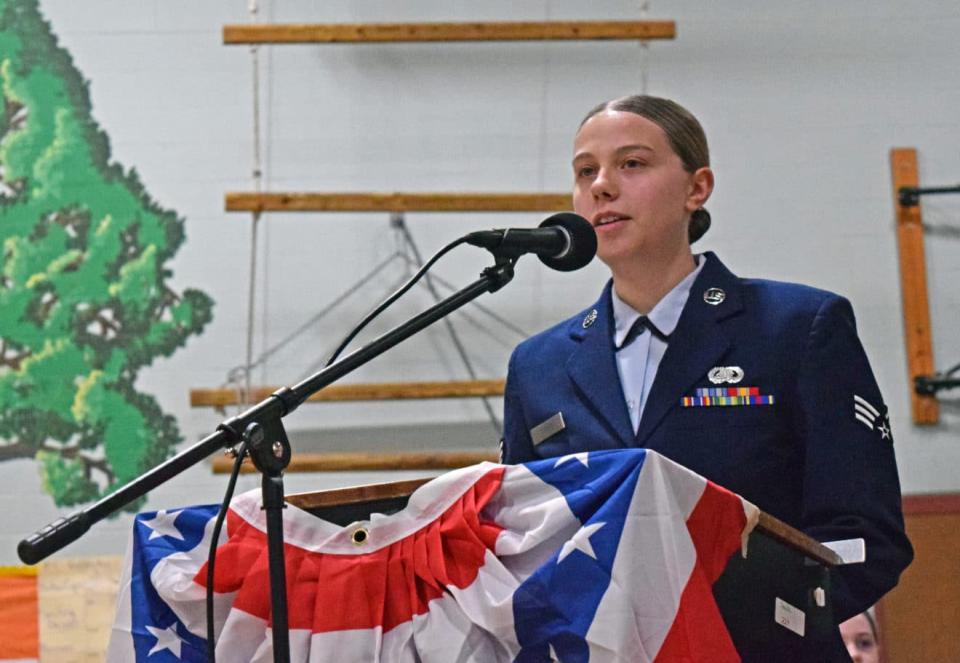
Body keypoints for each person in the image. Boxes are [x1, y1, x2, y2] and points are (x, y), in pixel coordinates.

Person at [500, 94, 913, 624]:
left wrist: (738, 631)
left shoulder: (797, 328)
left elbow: (863, 537)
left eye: (632, 163)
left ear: (697, 188)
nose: (601, 185)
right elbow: (521, 536)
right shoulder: (539, 365)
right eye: (585, 171)